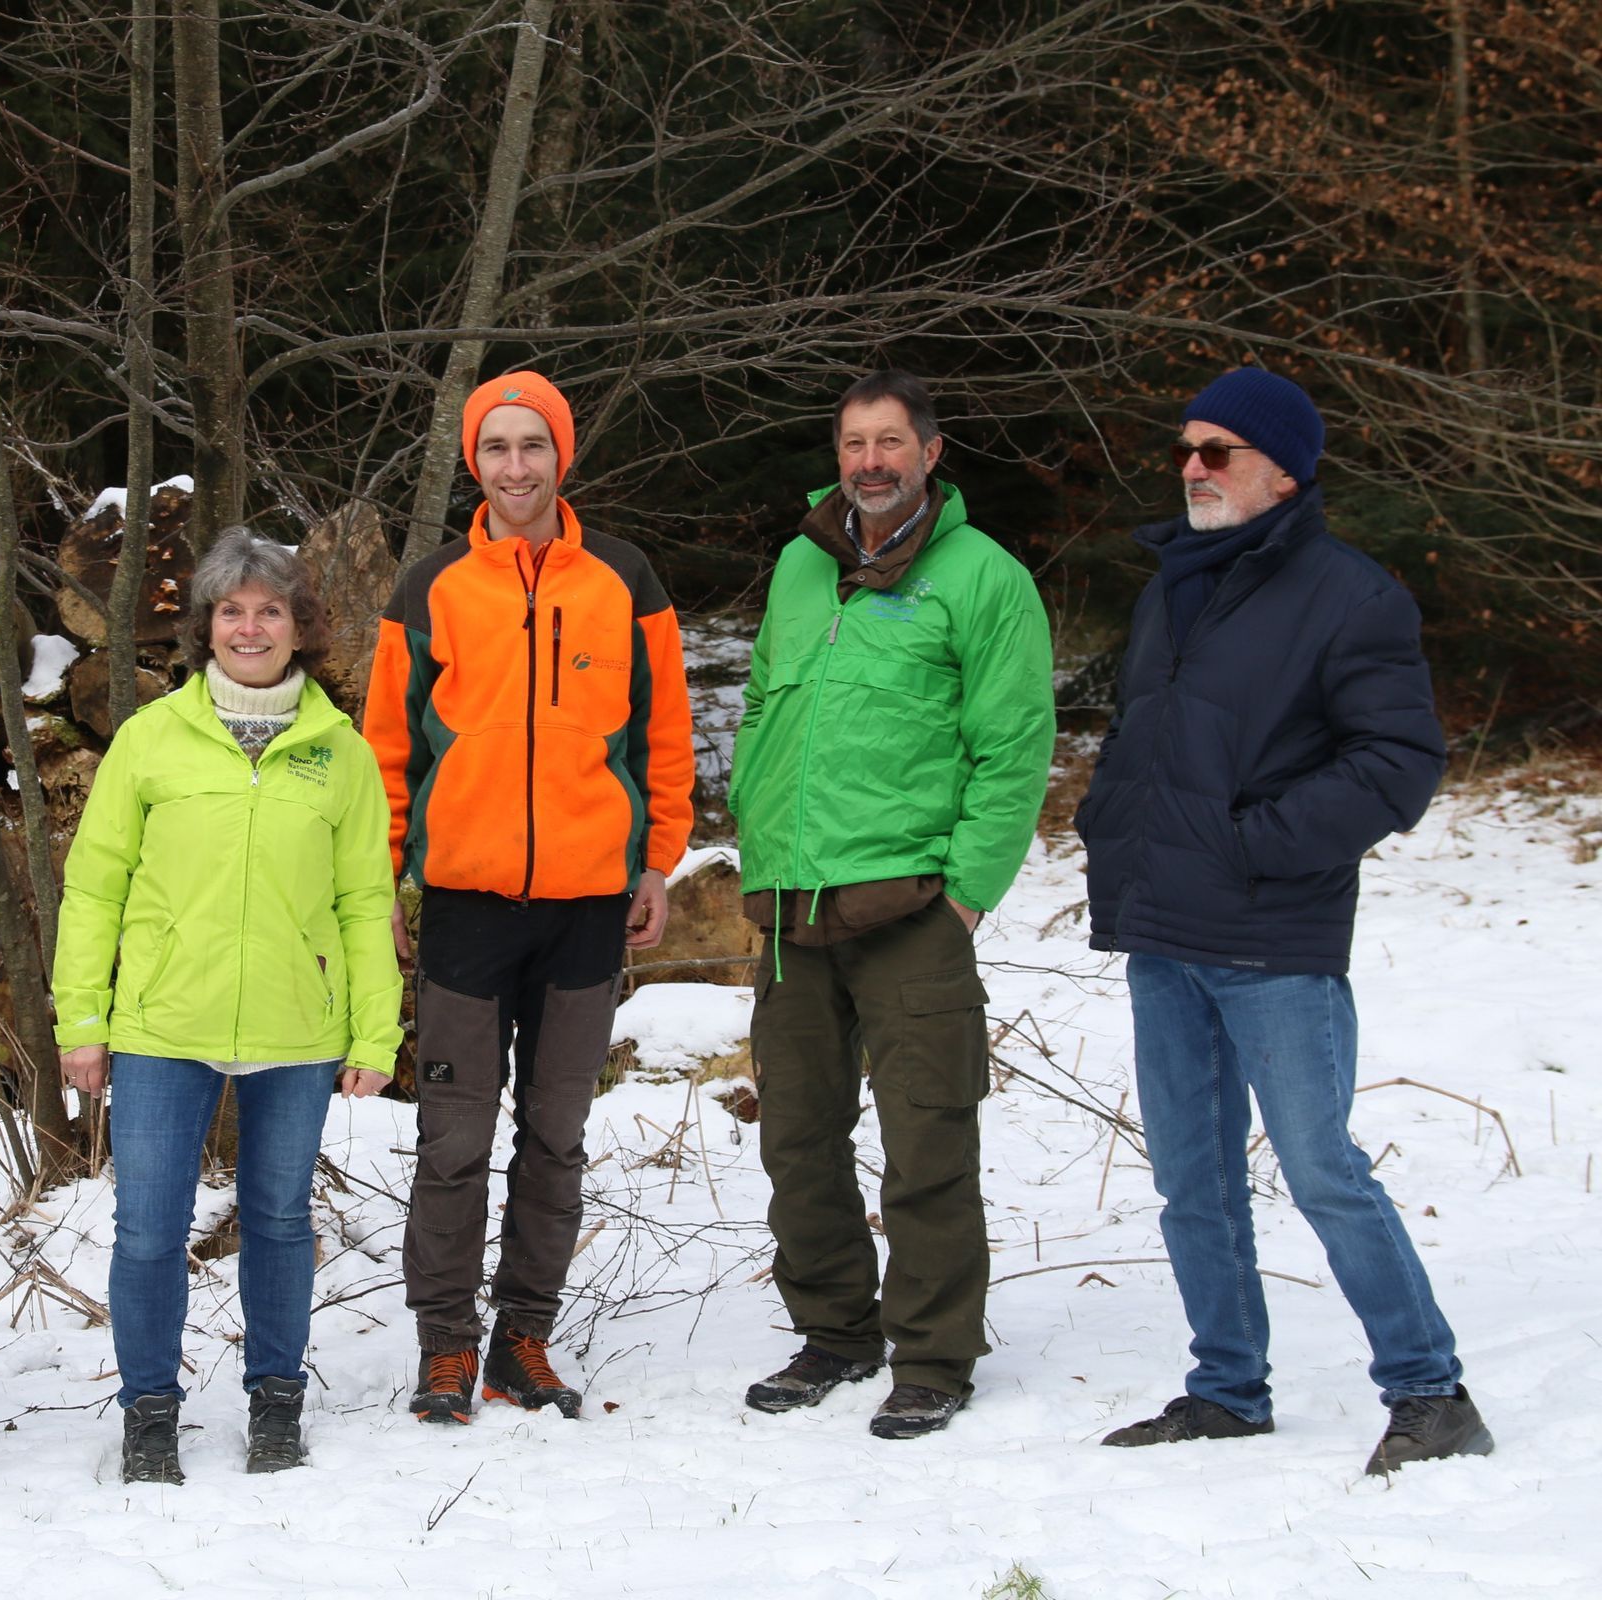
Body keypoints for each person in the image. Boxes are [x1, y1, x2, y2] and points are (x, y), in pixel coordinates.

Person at [1076, 367, 1490, 1476]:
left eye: (1218, 452)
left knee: (1321, 1170)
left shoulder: (1354, 596)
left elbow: (1399, 764)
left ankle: (1430, 1392)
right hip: (1164, 932)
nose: (1195, 469)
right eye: (1185, 450)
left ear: (1284, 468)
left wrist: (1256, 844)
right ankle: (1227, 1389)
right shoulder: (1176, 581)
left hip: (1272, 941)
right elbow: (1146, 738)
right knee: (1190, 1182)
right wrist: (1108, 821)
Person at [363, 370, 694, 1424]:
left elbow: (664, 734)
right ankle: (447, 1345)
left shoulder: (626, 581)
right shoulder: (428, 590)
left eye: (533, 446)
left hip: (587, 907)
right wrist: (387, 879)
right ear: (476, 460)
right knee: (454, 1138)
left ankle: (524, 1338)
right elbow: (387, 751)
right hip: (465, 904)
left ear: (562, 456)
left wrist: (657, 860)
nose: (516, 466)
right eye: (497, 447)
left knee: (555, 1133)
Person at [731, 371, 1053, 1440]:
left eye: (889, 442)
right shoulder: (799, 567)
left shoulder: (984, 578)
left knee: (927, 1139)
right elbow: (771, 713)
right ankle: (834, 1331)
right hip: (793, 908)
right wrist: (755, 846)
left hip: (912, 903)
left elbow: (1013, 750)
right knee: (799, 1141)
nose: (869, 460)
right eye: (853, 443)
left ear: (930, 449)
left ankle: (934, 1353)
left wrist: (966, 895)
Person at [51, 528, 402, 1485]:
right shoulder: (151, 739)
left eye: (271, 609)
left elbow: (365, 900)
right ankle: (150, 1414)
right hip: (165, 1027)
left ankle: (276, 1404)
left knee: (281, 1220)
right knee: (149, 1229)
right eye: (232, 610)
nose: (251, 626)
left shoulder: (340, 753)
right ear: (206, 629)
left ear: (300, 628)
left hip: (296, 1027)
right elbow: (95, 886)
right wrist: (81, 1019)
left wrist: (377, 1028)